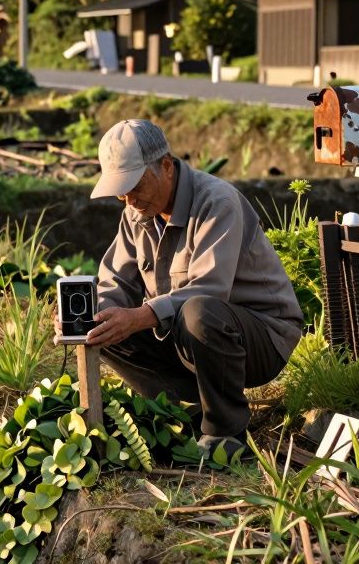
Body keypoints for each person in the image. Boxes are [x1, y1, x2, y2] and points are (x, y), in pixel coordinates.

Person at [75, 119, 304, 461]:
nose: (128, 198)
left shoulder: (217, 202)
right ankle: (182, 412)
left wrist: (140, 316)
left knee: (199, 310)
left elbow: (211, 289)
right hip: (185, 341)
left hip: (259, 339)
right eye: (120, 190)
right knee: (100, 324)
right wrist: (93, 317)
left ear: (166, 166)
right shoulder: (136, 212)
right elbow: (115, 282)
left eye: (134, 185)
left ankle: (225, 433)